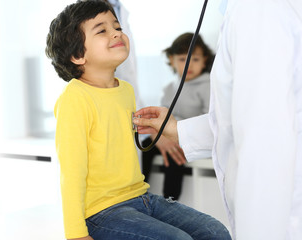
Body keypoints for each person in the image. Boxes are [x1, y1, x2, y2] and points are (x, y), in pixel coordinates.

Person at [45, 0, 231, 239]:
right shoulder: (74, 98)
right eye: (102, 30)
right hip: (101, 211)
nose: (115, 33)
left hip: (140, 197)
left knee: (214, 232)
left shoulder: (125, 91)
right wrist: (75, 234)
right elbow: (70, 173)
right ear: (78, 55)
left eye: (117, 27)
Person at [133, 0, 302, 239]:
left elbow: (264, 135)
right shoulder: (247, 10)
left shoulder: (257, 9)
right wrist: (178, 130)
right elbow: (238, 120)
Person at [142, 33, 214, 200]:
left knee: (176, 157)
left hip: (189, 136)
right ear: (172, 60)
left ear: (204, 61)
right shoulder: (170, 88)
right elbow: (162, 115)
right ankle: (137, 190)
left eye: (195, 59)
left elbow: (209, 119)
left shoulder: (207, 86)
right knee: (145, 147)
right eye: (182, 59)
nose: (189, 64)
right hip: (168, 134)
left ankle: (170, 199)